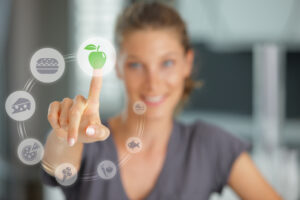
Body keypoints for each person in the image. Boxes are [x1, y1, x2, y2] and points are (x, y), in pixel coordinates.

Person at [41, 2, 281, 200]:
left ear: (187, 63)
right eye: (136, 65)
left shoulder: (209, 145)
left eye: (167, 63)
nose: (153, 83)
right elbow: (57, 163)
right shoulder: (91, 141)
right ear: (118, 67)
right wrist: (65, 135)